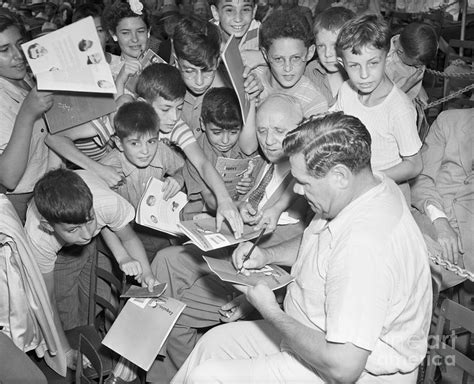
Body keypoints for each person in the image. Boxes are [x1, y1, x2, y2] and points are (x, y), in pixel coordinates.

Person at [173, 112, 432, 384]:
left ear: (339, 176)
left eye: (304, 182)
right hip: (310, 333)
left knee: (207, 377)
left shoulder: (365, 247)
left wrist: (269, 310)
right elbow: (321, 240)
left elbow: (344, 368)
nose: (296, 190)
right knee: (212, 344)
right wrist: (267, 255)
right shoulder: (366, 183)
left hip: (354, 371)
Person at [146, 93, 308, 384]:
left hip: (262, 269)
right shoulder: (266, 161)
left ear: (301, 130)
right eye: (262, 131)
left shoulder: (308, 178)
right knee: (165, 260)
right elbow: (250, 200)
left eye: (280, 132)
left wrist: (248, 302)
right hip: (239, 245)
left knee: (175, 313)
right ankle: (142, 354)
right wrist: (242, 206)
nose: (270, 140)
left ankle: (175, 375)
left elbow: (299, 257)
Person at [24, 169, 158, 369]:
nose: (87, 234)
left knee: (95, 295)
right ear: (48, 226)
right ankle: (73, 336)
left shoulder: (106, 204)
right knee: (64, 307)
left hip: (91, 229)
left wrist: (146, 273)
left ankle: (87, 330)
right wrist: (65, 351)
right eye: (73, 229)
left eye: (89, 220)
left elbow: (127, 237)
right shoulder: (40, 240)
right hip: (56, 255)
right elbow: (47, 299)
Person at [134, 63, 244, 237]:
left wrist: (225, 200)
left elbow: (202, 163)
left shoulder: (177, 128)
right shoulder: (125, 119)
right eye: (165, 109)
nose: (174, 117)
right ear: (142, 104)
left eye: (179, 108)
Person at [333, 14, 422, 200]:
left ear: (387, 55)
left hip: (387, 193)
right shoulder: (346, 91)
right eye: (355, 65)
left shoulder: (399, 108)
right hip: (352, 189)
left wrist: (370, 178)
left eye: (373, 63)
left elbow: (414, 165)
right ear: (342, 64)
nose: (364, 74)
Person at [45, 4, 122, 188]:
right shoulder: (66, 77)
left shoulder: (122, 66)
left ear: (108, 33)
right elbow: (55, 137)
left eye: (99, 30)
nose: (93, 38)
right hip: (79, 163)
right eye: (85, 32)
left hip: (119, 155)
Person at [100, 101, 185, 260]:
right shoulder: (108, 168)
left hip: (159, 223)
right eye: (134, 143)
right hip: (123, 229)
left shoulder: (161, 151)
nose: (145, 151)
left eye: (151, 141)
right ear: (119, 143)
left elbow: (183, 168)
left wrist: (179, 178)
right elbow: (103, 216)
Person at [0, 10, 57, 221]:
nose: (18, 54)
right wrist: (27, 113)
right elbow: (8, 177)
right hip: (22, 201)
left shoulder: (23, 75)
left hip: (47, 183)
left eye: (20, 43)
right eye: (4, 49)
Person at [411, 108, 473, 292]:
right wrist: (440, 221)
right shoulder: (450, 120)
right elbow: (420, 176)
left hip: (465, 245)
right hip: (427, 214)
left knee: (409, 277)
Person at [172, 15, 262, 136]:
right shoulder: (165, 88)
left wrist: (250, 96)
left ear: (218, 60)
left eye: (208, 71)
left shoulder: (233, 87)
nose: (199, 81)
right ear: (177, 63)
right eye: (189, 71)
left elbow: (248, 147)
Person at [182, 87, 259, 219]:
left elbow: (257, 170)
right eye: (217, 133)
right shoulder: (195, 155)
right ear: (202, 123)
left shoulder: (246, 143)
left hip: (242, 209)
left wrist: (250, 182)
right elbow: (210, 201)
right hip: (204, 214)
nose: (225, 140)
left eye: (233, 132)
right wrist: (238, 205)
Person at [254, 10, 329, 118]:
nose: (288, 68)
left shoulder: (314, 103)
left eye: (296, 58)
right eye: (279, 59)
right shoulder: (251, 79)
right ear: (265, 55)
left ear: (310, 53)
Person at [304, 6, 355, 107]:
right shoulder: (311, 71)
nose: (327, 54)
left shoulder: (361, 75)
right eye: (321, 46)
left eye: (335, 45)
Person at [102, 0, 150, 96]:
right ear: (114, 34)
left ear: (148, 31)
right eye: (125, 33)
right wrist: (120, 81)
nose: (134, 39)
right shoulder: (104, 74)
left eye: (140, 31)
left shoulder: (161, 69)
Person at [385, 22, 438, 102]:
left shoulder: (412, 49)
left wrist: (420, 91)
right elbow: (383, 103)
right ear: (400, 51)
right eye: (415, 64)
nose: (418, 67)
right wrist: (408, 85)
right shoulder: (387, 65)